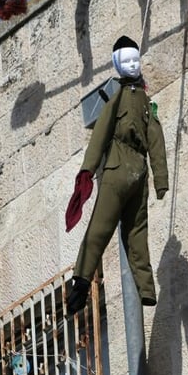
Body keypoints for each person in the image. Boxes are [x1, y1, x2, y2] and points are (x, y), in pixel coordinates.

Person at [65, 37, 169, 314]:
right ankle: (89, 281)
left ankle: (139, 288)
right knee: (117, 228)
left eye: (136, 59)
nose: (134, 64)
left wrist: (160, 180)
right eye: (128, 61)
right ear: (118, 65)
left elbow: (153, 139)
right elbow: (103, 133)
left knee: (127, 230)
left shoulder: (142, 101)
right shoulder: (125, 98)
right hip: (128, 165)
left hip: (132, 169)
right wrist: (87, 171)